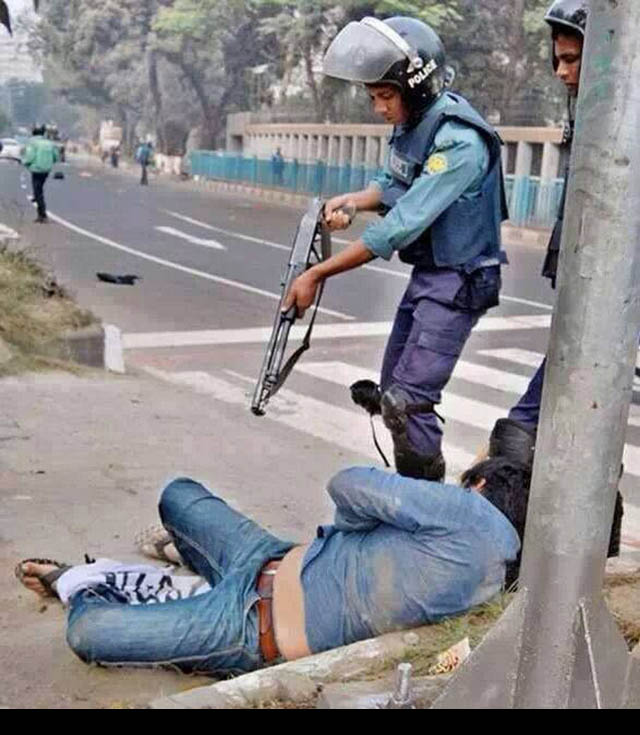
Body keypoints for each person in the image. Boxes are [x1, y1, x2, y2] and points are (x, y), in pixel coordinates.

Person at [15, 458, 529, 677]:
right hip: (265, 558)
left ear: (480, 485)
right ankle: (186, 567)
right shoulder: (498, 574)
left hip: (246, 628)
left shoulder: (469, 512)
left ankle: (81, 582)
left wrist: (354, 529)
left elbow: (348, 484)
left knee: (89, 632)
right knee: (179, 496)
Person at [283, 16, 509, 482]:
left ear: (417, 87)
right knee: (392, 394)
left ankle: (427, 503)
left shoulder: (460, 142)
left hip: (460, 280)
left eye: (386, 96)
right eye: (373, 97)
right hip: (430, 274)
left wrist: (316, 274)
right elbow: (393, 182)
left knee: (408, 402)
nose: (379, 108)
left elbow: (399, 226)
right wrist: (352, 201)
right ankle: (418, 490)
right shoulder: (417, 123)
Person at [484, 1, 621, 557]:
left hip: (613, 297)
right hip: (598, 295)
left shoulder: (624, 120)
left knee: (531, 423)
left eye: (572, 59)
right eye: (557, 60)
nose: (561, 71)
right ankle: (580, 554)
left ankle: (517, 551)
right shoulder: (598, 115)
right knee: (584, 419)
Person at [21, 124, 60, 224]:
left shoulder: (32, 143)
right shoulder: (50, 143)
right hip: (46, 170)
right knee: (39, 189)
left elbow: (29, 157)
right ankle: (40, 211)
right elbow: (56, 157)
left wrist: (24, 162)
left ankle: (42, 214)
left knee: (38, 192)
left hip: (36, 170)